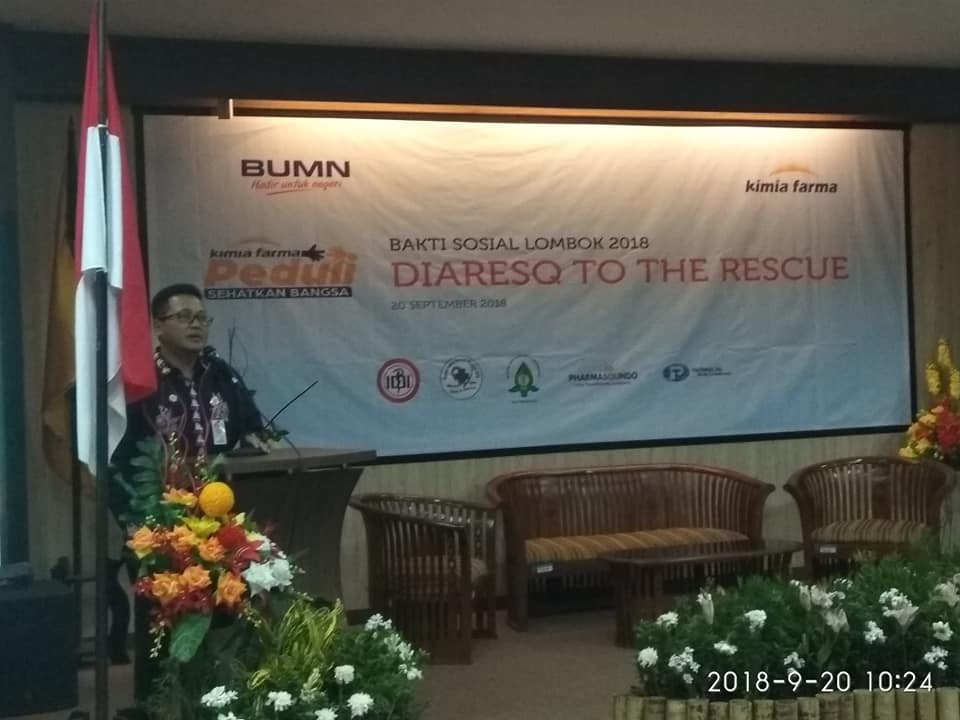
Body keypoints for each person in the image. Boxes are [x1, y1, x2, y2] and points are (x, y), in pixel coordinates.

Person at [109, 282, 268, 705]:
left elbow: (254, 428)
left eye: (201, 318)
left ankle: (217, 703)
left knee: (223, 616)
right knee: (161, 621)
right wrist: (133, 519)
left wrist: (255, 438)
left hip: (219, 523)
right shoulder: (138, 382)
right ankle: (157, 706)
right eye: (184, 317)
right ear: (158, 326)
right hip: (158, 523)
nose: (196, 325)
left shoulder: (222, 376)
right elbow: (115, 459)